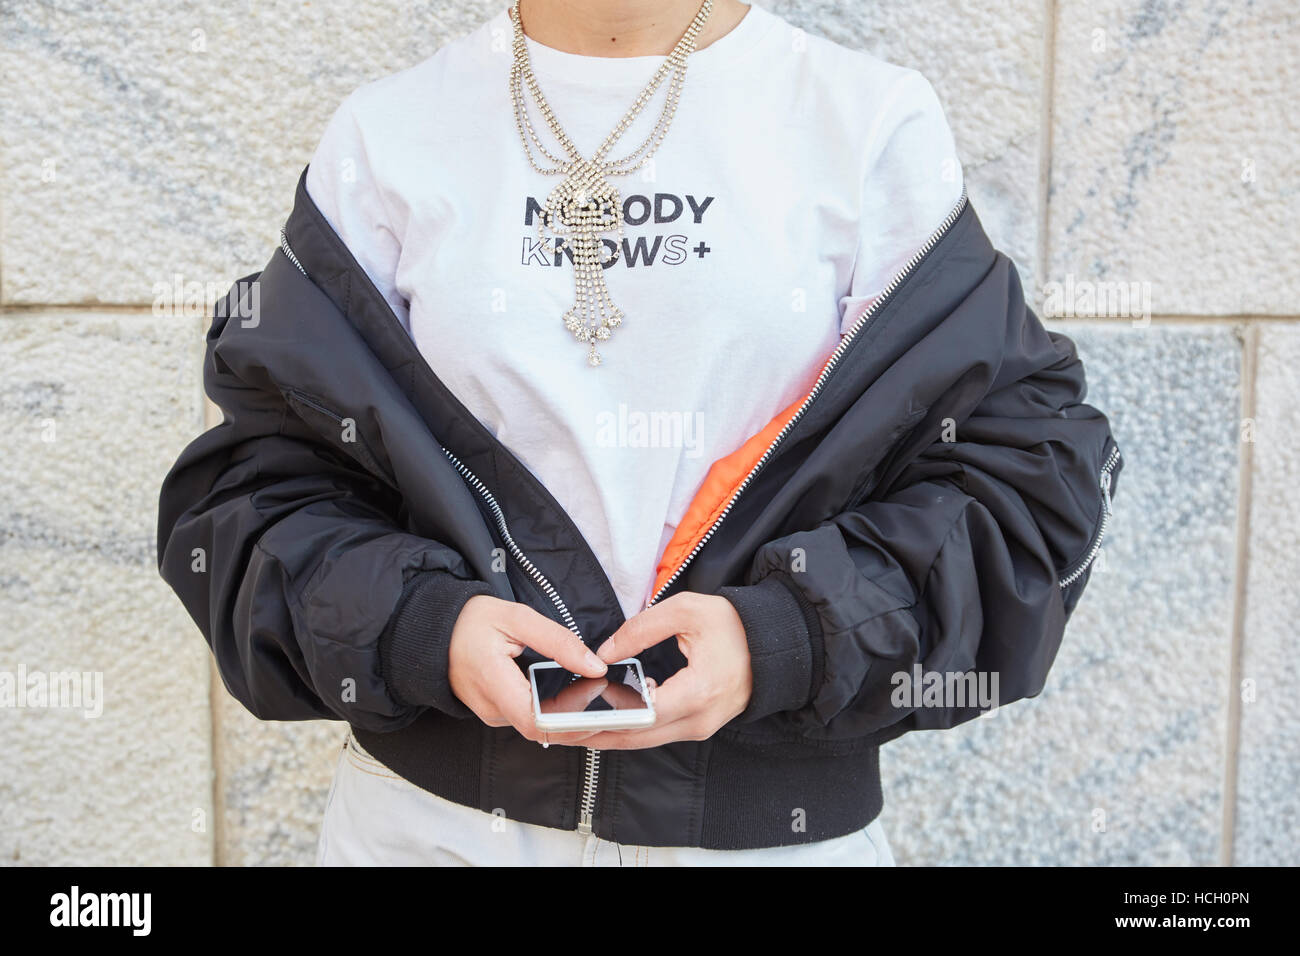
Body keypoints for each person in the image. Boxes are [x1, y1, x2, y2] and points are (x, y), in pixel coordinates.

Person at [157, 0, 1123, 866]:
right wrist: (422, 628)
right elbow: (260, 487)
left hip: (767, 843)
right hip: (432, 831)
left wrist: (782, 638)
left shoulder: (865, 121)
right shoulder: (388, 134)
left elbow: (1022, 483)